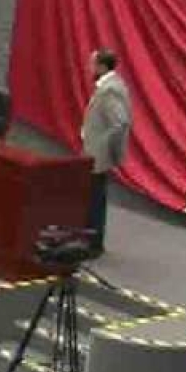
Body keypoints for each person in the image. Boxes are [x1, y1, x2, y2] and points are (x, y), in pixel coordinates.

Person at [80, 48, 132, 255]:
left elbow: (119, 123)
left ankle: (92, 244)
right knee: (92, 198)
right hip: (96, 154)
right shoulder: (108, 86)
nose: (89, 68)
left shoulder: (110, 90)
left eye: (92, 64)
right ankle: (89, 239)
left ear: (102, 66)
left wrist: (109, 152)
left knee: (94, 201)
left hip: (99, 156)